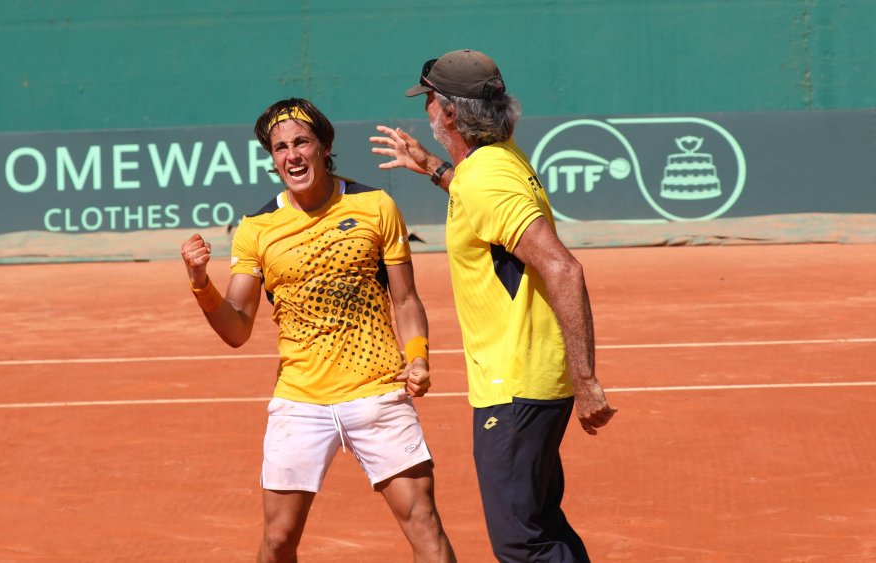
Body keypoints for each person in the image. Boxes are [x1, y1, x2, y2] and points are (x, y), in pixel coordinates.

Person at [181, 98, 457, 563]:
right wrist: (200, 285)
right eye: (279, 147)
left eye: (301, 142)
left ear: (325, 147)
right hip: (300, 400)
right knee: (278, 541)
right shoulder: (256, 228)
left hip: (377, 390)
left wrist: (419, 355)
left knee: (424, 525)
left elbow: (405, 299)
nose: (291, 155)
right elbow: (237, 327)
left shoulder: (375, 206)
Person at [370, 49, 617, 562]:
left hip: (516, 385)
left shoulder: (487, 177)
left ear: (450, 112)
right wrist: (433, 166)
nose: (428, 112)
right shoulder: (499, 159)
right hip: (532, 379)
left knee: (521, 543)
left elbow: (563, 268)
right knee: (541, 525)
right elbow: (480, 198)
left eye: (430, 102)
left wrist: (588, 379)